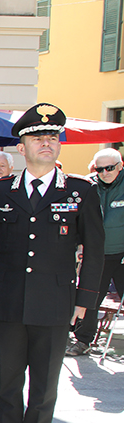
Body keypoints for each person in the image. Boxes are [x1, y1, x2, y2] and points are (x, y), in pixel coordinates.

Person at [0, 104, 104, 423]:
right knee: (8, 381)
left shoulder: (80, 191)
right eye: (37, 137)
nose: (46, 143)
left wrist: (84, 301)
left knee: (45, 384)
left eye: (52, 137)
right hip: (7, 302)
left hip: (54, 304)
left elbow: (96, 250)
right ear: (22, 147)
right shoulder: (0, 191)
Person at [67, 148, 124, 355]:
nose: (104, 173)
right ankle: (83, 340)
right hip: (98, 254)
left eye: (109, 168)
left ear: (120, 166)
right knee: (89, 297)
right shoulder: (89, 186)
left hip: (122, 253)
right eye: (100, 169)